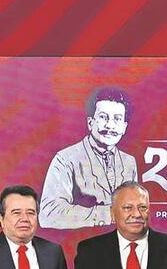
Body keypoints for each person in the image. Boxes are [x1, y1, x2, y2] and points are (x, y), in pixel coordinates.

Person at [39, 87, 138, 229]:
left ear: (124, 127)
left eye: (117, 119)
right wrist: (108, 213)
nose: (110, 125)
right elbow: (49, 215)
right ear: (90, 123)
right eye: (103, 117)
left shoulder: (129, 162)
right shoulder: (65, 159)